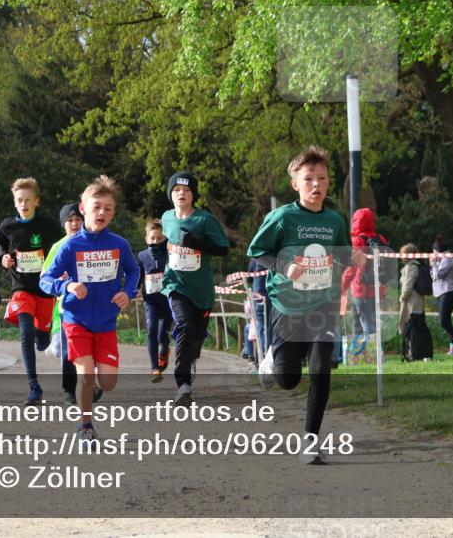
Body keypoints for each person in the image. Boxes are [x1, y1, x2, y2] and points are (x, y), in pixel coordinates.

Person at [248, 145, 357, 464]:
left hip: (322, 304)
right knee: (289, 380)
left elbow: (340, 253)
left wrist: (354, 257)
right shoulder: (282, 217)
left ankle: (310, 440)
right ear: (295, 183)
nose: (316, 184)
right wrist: (285, 267)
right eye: (308, 178)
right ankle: (272, 359)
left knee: (322, 370)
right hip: (287, 305)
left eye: (322, 178)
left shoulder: (335, 220)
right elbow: (257, 252)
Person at [40, 176, 139, 440]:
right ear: (83, 209)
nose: (102, 213)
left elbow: (133, 271)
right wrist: (67, 287)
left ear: (113, 212)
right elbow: (45, 280)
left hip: (106, 322)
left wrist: (127, 292)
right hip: (76, 320)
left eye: (108, 208)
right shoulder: (70, 246)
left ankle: (94, 384)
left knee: (107, 382)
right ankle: (85, 426)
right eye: (96, 207)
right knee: (84, 374)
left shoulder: (119, 245)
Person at [160, 171, 230, 406]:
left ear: (193, 195)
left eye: (187, 190)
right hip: (175, 285)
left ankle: (192, 348)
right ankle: (184, 384)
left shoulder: (204, 220)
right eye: (177, 190)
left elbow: (223, 249)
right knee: (184, 325)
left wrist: (196, 243)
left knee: (195, 335)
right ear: (171, 194)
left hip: (201, 291)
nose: (181, 194)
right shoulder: (167, 217)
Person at [0, 177, 65, 406]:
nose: (23, 204)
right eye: (19, 200)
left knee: (42, 342)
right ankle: (34, 386)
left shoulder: (48, 225)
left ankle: (42, 336)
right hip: (21, 288)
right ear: (14, 202)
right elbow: (1, 243)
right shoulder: (7, 226)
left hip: (45, 289)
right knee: (25, 332)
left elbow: (63, 246)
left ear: (37, 201)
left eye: (28, 200)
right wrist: (3, 257)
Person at [42, 202, 85, 405]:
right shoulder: (57, 248)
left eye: (78, 219)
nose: (75, 224)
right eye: (70, 221)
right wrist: (63, 284)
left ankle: (90, 385)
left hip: (93, 306)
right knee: (65, 350)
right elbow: (45, 278)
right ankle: (69, 390)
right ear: (63, 225)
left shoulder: (94, 242)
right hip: (66, 307)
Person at [340, 207, 388, 351]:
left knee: (365, 322)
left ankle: (369, 354)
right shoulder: (381, 239)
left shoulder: (358, 241)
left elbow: (351, 268)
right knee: (366, 320)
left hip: (361, 288)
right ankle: (363, 353)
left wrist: (342, 286)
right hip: (379, 288)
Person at [136, 219, 171, 383]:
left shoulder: (169, 254)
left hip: (167, 300)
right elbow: (139, 275)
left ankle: (164, 351)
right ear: (146, 239)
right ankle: (154, 368)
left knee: (162, 335)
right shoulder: (142, 256)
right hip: (150, 300)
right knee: (151, 330)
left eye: (159, 239)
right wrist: (135, 289)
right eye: (152, 239)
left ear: (164, 239)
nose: (155, 242)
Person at [429, 235, 453, 355]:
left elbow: (439, 275)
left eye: (434, 251)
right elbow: (433, 276)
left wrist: (433, 265)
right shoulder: (440, 260)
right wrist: (434, 266)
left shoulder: (447, 259)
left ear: (438, 251)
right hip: (440, 292)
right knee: (446, 320)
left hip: (449, 291)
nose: (432, 254)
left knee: (443, 321)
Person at [397, 243, 426, 338]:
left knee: (410, 328)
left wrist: (402, 298)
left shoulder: (411, 267)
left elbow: (408, 286)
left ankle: (412, 349)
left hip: (411, 303)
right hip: (413, 302)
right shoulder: (414, 266)